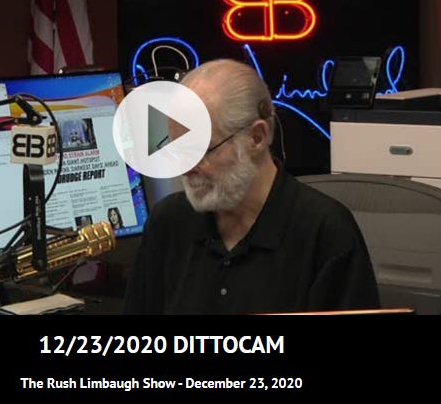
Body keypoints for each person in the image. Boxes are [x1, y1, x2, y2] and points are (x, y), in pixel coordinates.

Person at [123, 59, 380, 314]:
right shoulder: (168, 222)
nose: (186, 168)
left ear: (257, 137)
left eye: (200, 150)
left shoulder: (326, 232)